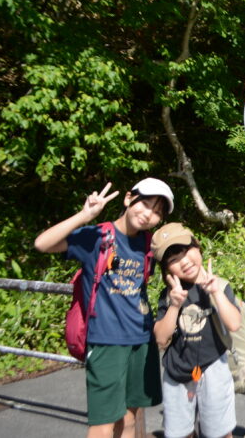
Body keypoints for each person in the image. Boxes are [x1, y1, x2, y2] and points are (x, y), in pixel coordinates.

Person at [34, 178, 173, 438]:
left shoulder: (148, 245)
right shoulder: (98, 236)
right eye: (146, 205)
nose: (149, 215)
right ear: (129, 198)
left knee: (130, 419)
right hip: (106, 341)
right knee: (102, 425)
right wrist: (85, 215)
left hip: (141, 342)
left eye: (157, 212)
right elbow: (43, 244)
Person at [152, 223, 241, 438]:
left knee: (219, 433)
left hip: (213, 368)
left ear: (198, 248)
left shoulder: (220, 284)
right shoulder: (169, 294)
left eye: (185, 251)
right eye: (173, 260)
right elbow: (161, 339)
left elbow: (234, 324)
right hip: (177, 372)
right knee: (179, 433)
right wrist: (174, 305)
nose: (183, 262)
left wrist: (216, 293)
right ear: (166, 269)